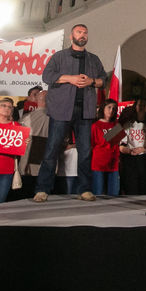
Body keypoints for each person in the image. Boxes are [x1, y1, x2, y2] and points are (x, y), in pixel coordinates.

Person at [35, 24, 108, 202]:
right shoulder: (59, 57)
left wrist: (91, 81)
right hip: (61, 110)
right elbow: (47, 76)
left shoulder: (93, 59)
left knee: (84, 152)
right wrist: (70, 78)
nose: (82, 35)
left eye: (85, 32)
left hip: (85, 111)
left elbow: (103, 80)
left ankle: (84, 189)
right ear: (71, 36)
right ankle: (43, 189)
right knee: (52, 149)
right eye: (79, 32)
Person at [118, 99, 146, 195]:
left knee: (145, 187)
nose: (141, 107)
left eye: (144, 105)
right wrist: (128, 150)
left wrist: (143, 149)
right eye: (139, 105)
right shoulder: (128, 123)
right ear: (135, 107)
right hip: (131, 159)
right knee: (131, 188)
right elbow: (117, 143)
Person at [90, 99, 123, 197]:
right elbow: (98, 143)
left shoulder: (116, 125)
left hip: (113, 163)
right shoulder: (95, 126)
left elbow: (117, 144)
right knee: (98, 193)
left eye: (114, 108)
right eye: (109, 107)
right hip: (99, 163)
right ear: (103, 109)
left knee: (114, 194)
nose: (111, 110)